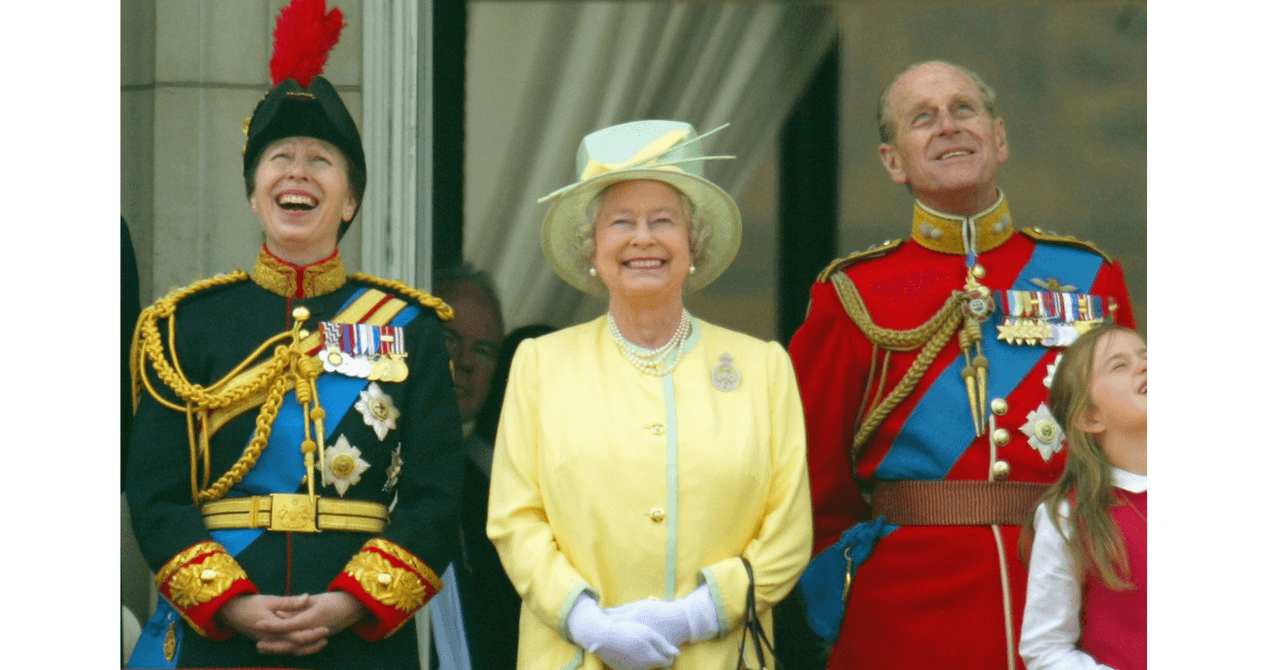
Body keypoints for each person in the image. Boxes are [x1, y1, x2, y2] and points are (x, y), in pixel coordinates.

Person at [125, 1, 464, 667]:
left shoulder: (411, 329)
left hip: (360, 638)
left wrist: (349, 601)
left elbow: (435, 497)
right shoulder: (185, 327)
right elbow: (158, 493)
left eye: (321, 160)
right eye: (279, 157)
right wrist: (230, 602)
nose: (298, 173)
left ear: (351, 199)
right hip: (222, 634)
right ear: (254, 192)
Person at [788, 60, 1136, 669]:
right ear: (893, 161)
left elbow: (1133, 451)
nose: (947, 126)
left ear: (999, 138)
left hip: (1068, 600)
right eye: (922, 119)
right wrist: (841, 594)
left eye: (963, 109)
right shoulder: (852, 293)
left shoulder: (1090, 279)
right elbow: (815, 483)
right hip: (903, 615)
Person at [487, 119, 813, 669]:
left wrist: (695, 615)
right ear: (593, 246)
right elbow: (514, 520)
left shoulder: (764, 369)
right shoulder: (540, 365)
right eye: (621, 222)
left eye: (664, 221)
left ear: (694, 243)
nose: (643, 238)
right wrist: (587, 623)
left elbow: (789, 533)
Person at [1019, 325, 1146, 669]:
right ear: (1090, 417)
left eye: (1146, 356)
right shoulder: (1069, 514)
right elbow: (1045, 649)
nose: (1146, 366)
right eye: (1120, 365)